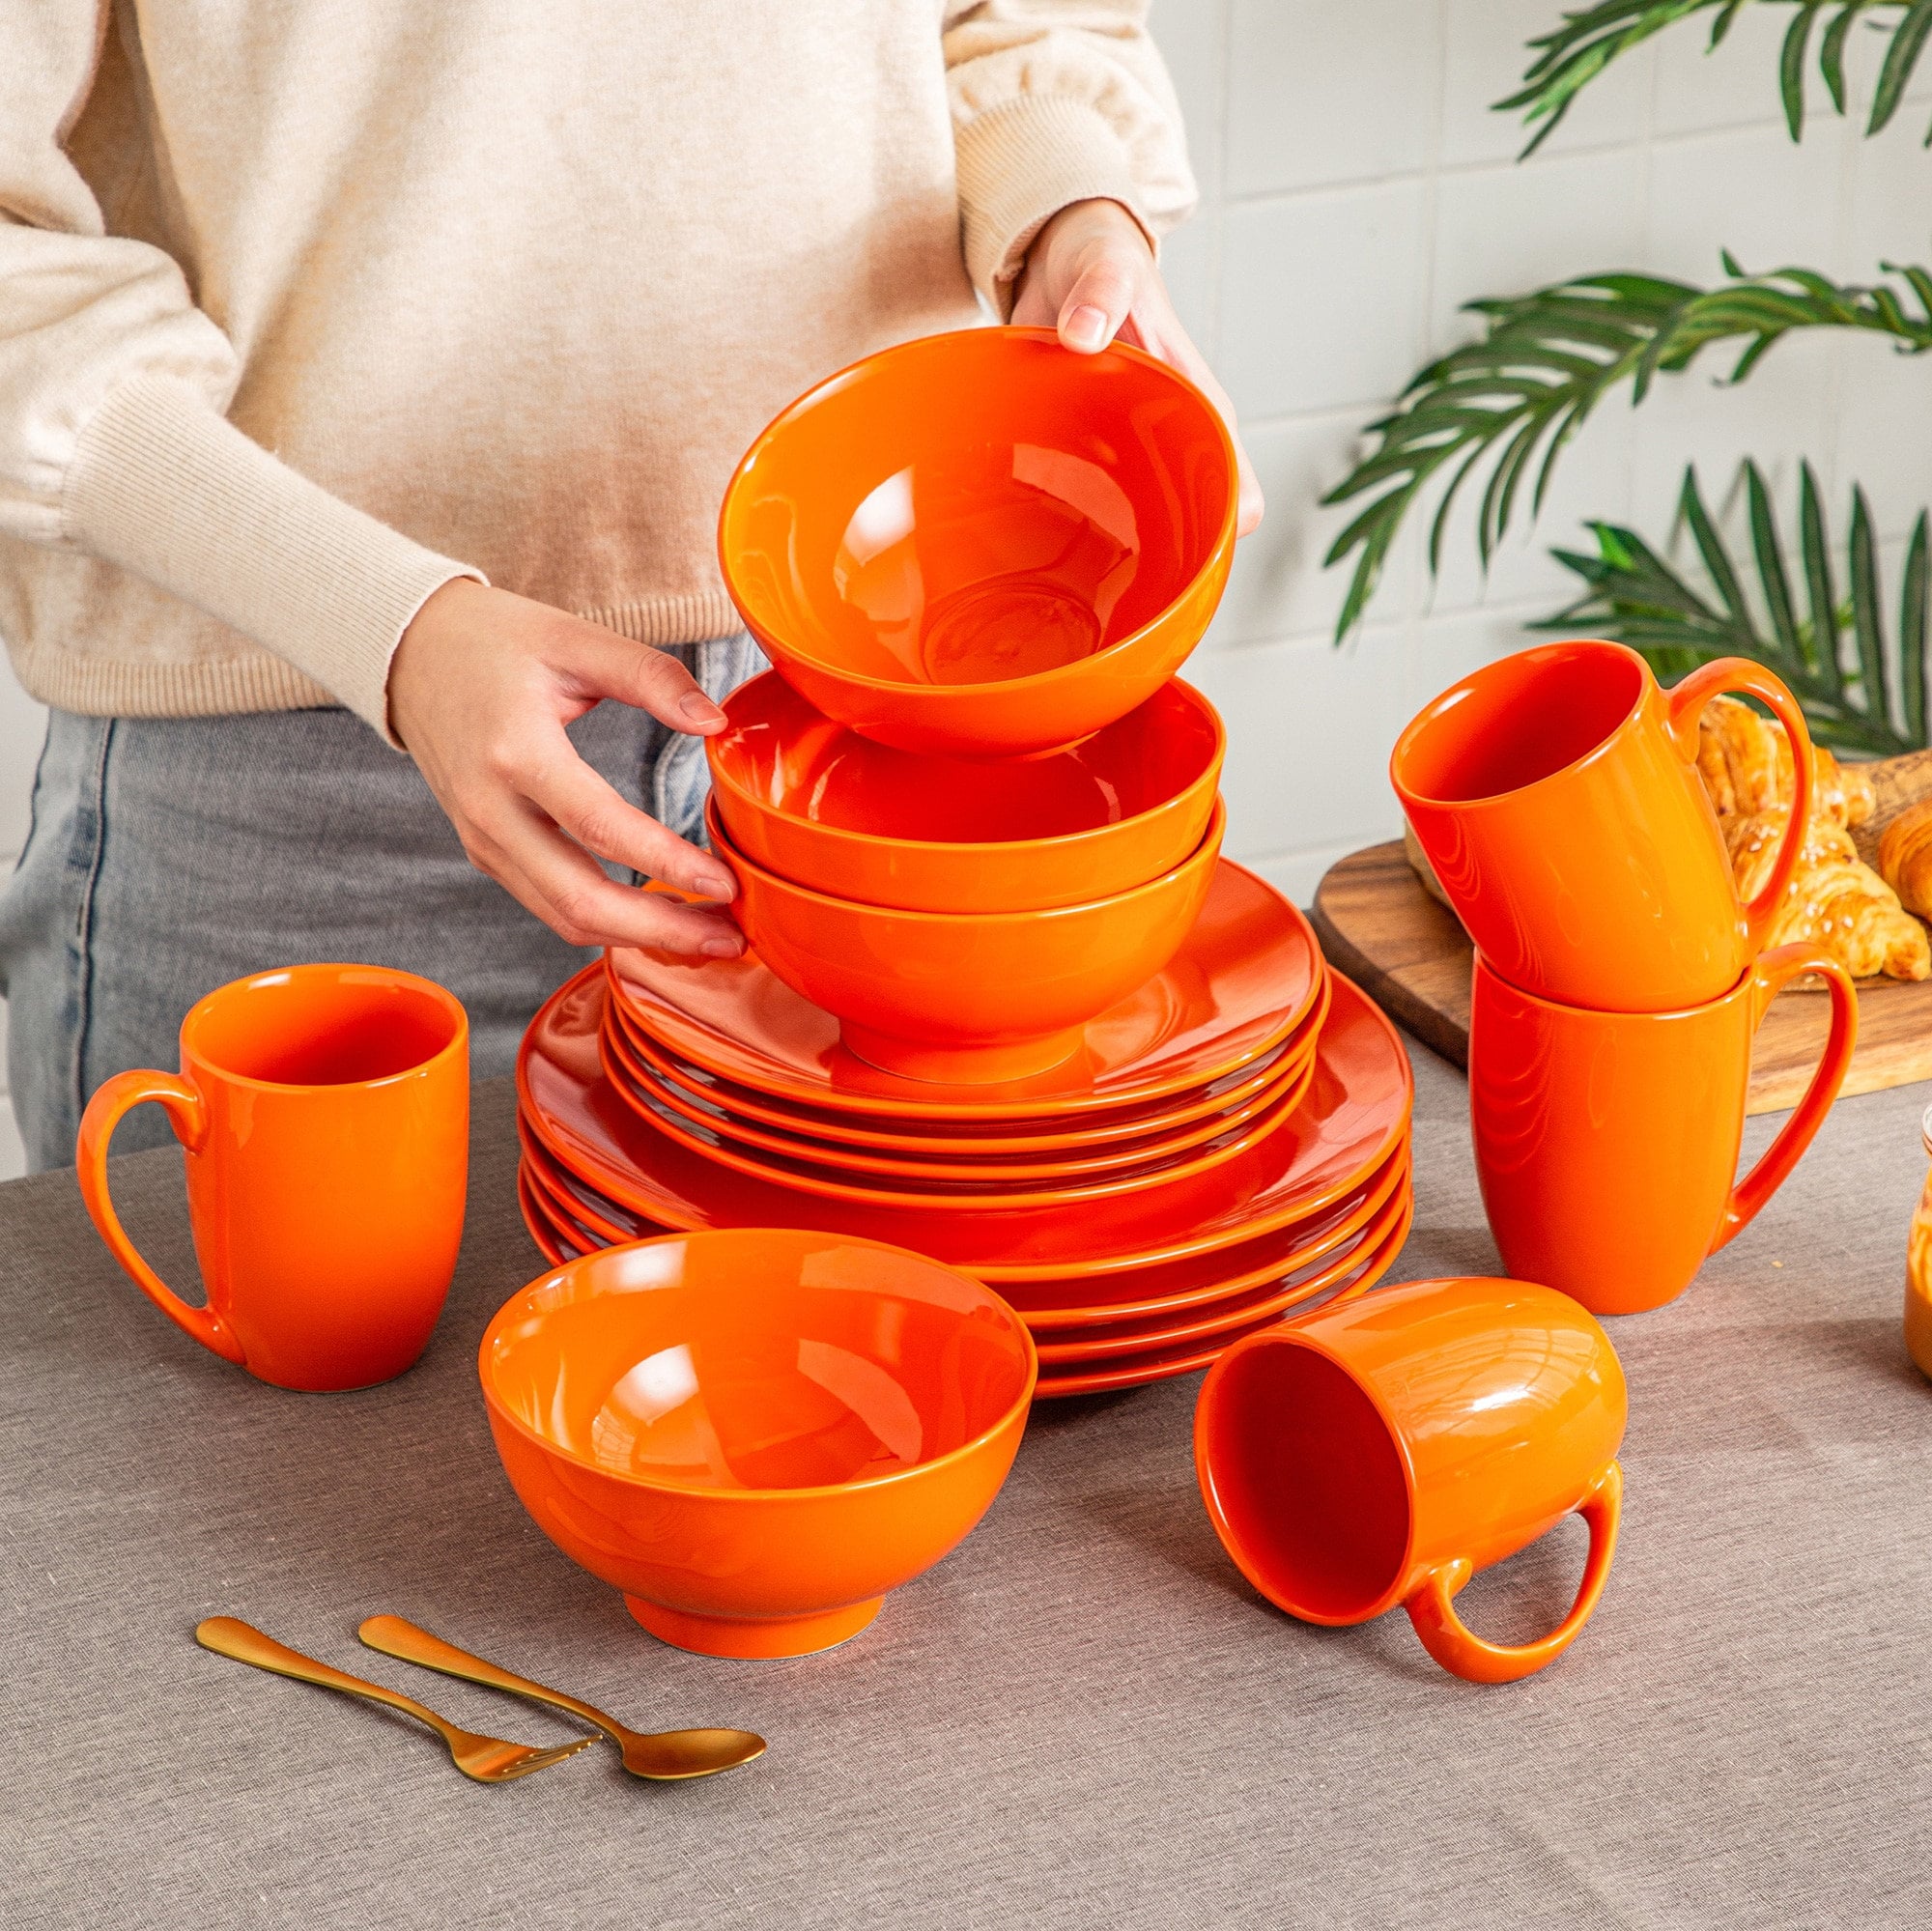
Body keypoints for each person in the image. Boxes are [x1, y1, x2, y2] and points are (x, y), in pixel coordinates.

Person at [0, 2, 1261, 1174]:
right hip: (299, 784)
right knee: (233, 1417)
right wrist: (379, 623)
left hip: (883, 731)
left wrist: (1063, 199)